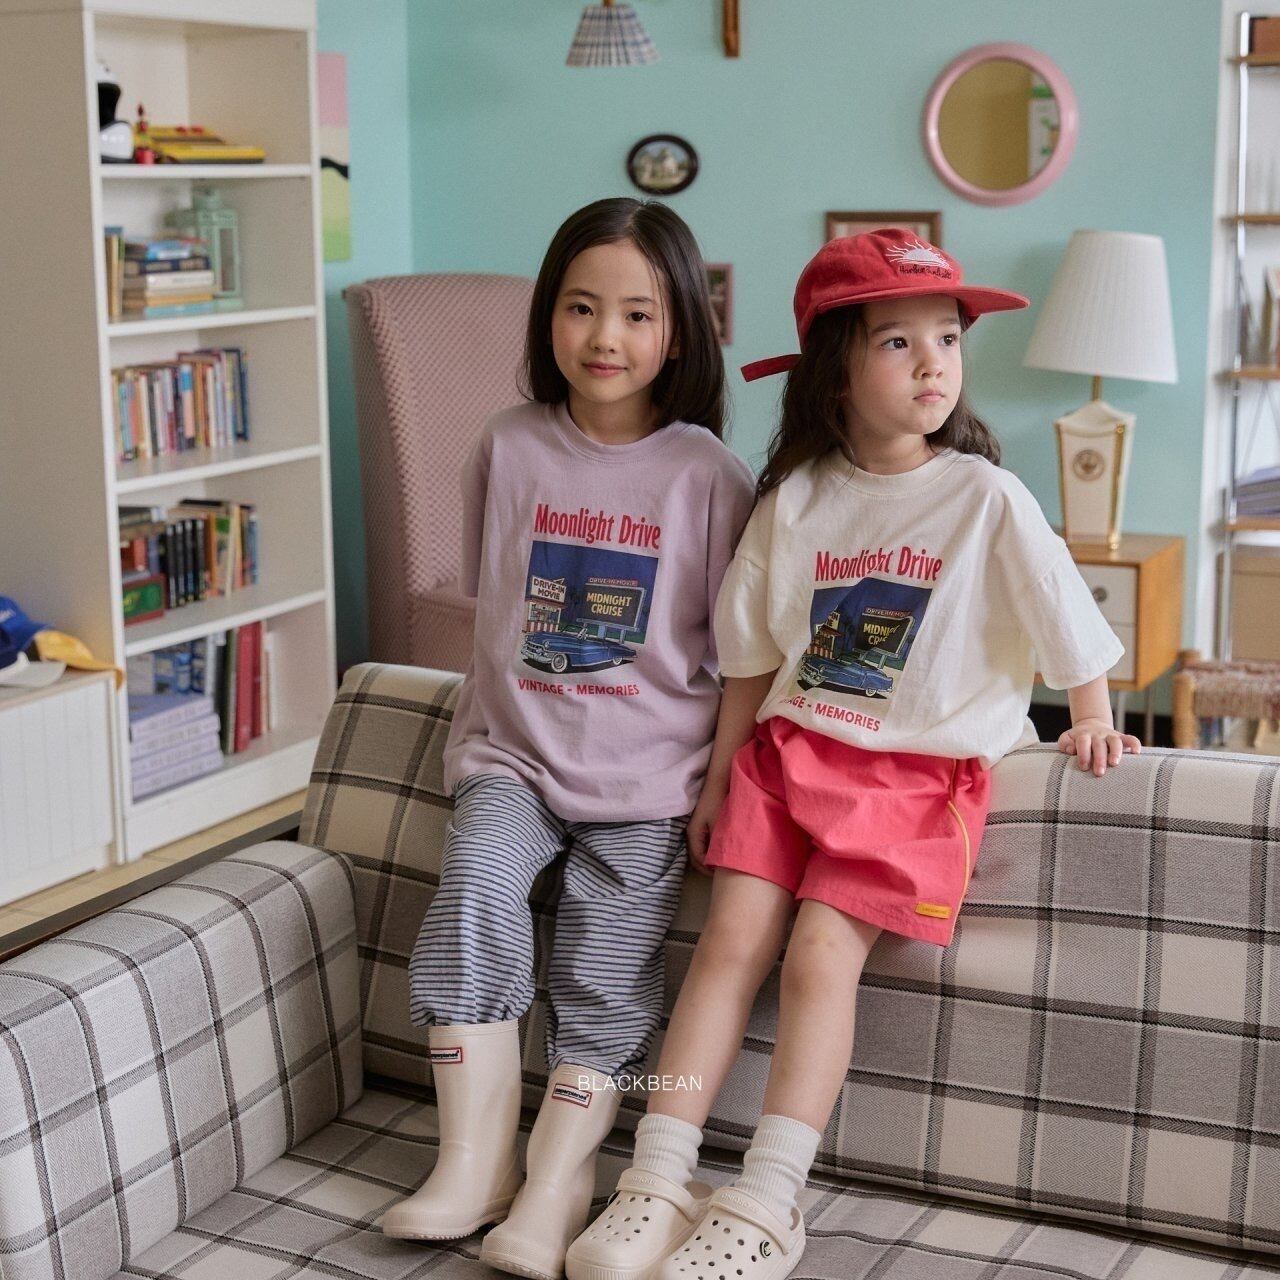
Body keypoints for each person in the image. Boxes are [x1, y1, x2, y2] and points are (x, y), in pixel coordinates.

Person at [565, 228, 1138, 1280]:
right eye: (897, 341)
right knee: (727, 944)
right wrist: (718, 778)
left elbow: (1060, 609)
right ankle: (653, 1175)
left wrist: (1091, 713)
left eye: (946, 340)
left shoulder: (984, 496)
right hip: (785, 759)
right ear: (835, 371)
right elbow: (749, 661)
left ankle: (769, 1196)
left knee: (821, 955)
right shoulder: (795, 499)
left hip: (911, 780)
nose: (932, 364)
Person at [381, 197, 757, 1280]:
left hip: (650, 780)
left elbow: (741, 651)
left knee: (602, 967)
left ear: (678, 332)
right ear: (548, 314)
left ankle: (557, 1181)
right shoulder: (505, 446)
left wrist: (717, 786)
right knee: (471, 898)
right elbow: (490, 596)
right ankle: (472, 1163)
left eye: (638, 314)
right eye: (581, 307)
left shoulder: (710, 477)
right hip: (511, 758)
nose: (605, 337)